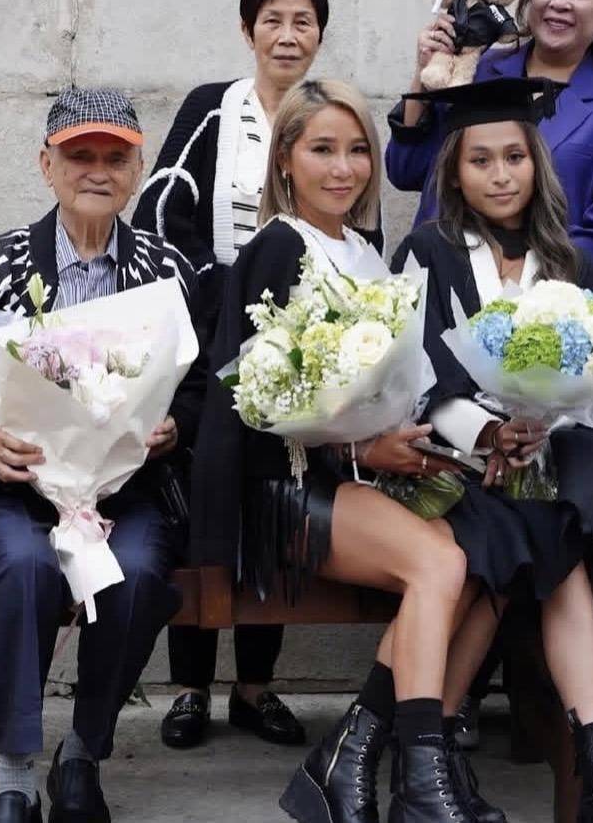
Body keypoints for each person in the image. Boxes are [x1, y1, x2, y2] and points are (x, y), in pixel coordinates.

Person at [0, 87, 208, 823]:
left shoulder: (171, 272)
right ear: (47, 165)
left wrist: (175, 424)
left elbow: (201, 389)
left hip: (126, 492)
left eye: (115, 158)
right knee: (24, 566)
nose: (97, 171)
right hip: (17, 489)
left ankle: (82, 754)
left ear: (137, 172)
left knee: (137, 572)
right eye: (79, 155)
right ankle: (13, 776)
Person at [394, 78, 593, 823]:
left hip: (547, 464)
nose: (500, 175)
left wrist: (541, 426)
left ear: (537, 164)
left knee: (545, 527)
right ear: (453, 172)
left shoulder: (574, 264)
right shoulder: (428, 250)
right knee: (542, 538)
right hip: (452, 465)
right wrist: (487, 433)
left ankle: (454, 754)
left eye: (515, 157)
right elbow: (413, 376)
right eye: (481, 160)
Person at [191, 78, 479, 823]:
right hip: (285, 490)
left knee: (473, 558)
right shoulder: (279, 245)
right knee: (439, 565)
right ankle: (421, 780)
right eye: (322, 149)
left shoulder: (364, 252)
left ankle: (349, 757)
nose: (344, 168)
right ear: (285, 158)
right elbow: (258, 400)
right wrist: (358, 449)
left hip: (354, 478)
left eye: (357, 150)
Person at [133, 0, 329, 750]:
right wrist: (220, 294)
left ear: (320, 34)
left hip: (296, 342)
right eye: (272, 19)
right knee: (200, 500)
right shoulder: (212, 108)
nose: (287, 34)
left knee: (272, 501)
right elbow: (160, 210)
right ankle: (189, 686)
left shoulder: (326, 114)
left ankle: (255, 685)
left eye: (303, 20)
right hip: (210, 339)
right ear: (248, 29)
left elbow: (355, 222)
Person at [386, 0, 593, 298]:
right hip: (436, 286)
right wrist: (425, 72)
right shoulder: (476, 70)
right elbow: (404, 171)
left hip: (544, 305)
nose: (560, 2)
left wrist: (516, 290)